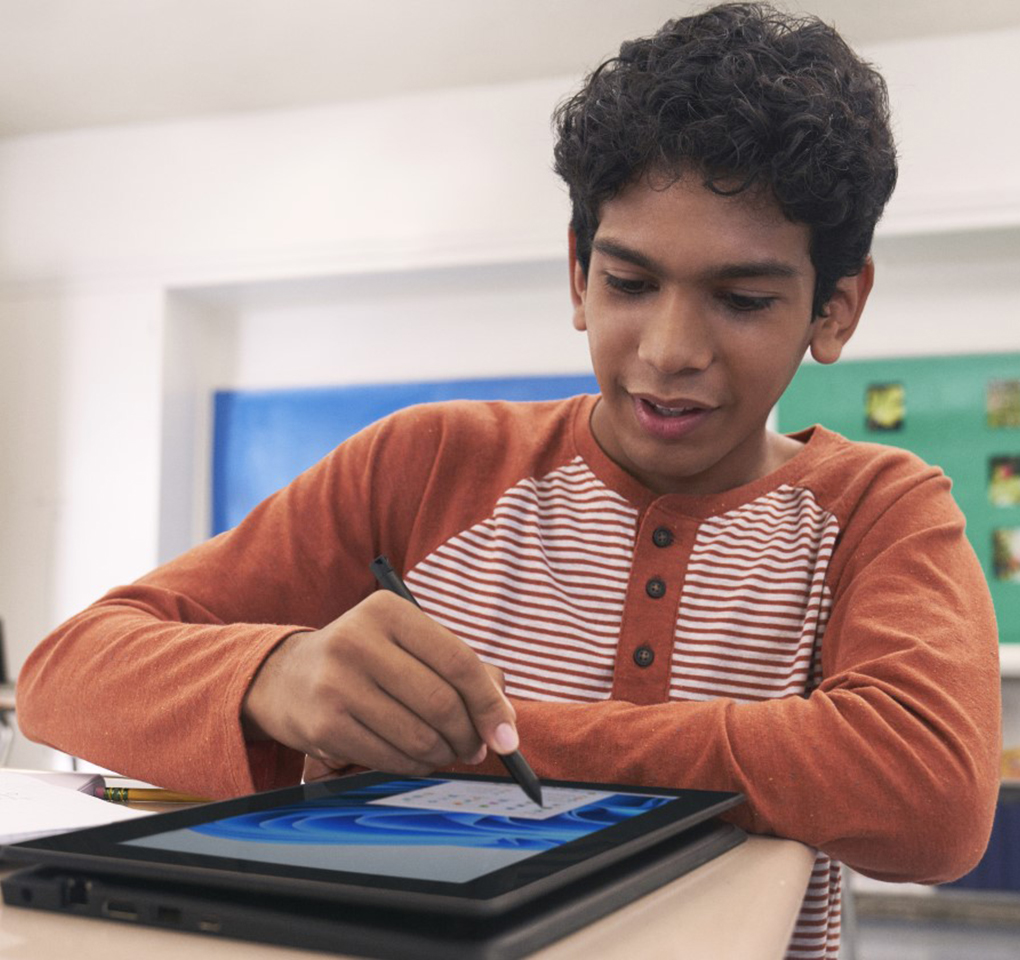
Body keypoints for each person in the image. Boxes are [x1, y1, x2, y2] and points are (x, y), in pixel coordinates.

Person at [16, 4, 1001, 958]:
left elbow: (930, 796)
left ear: (835, 308)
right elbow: (68, 674)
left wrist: (477, 743)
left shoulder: (880, 509)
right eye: (628, 283)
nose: (668, 351)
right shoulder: (428, 463)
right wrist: (275, 678)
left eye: (742, 299)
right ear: (577, 274)